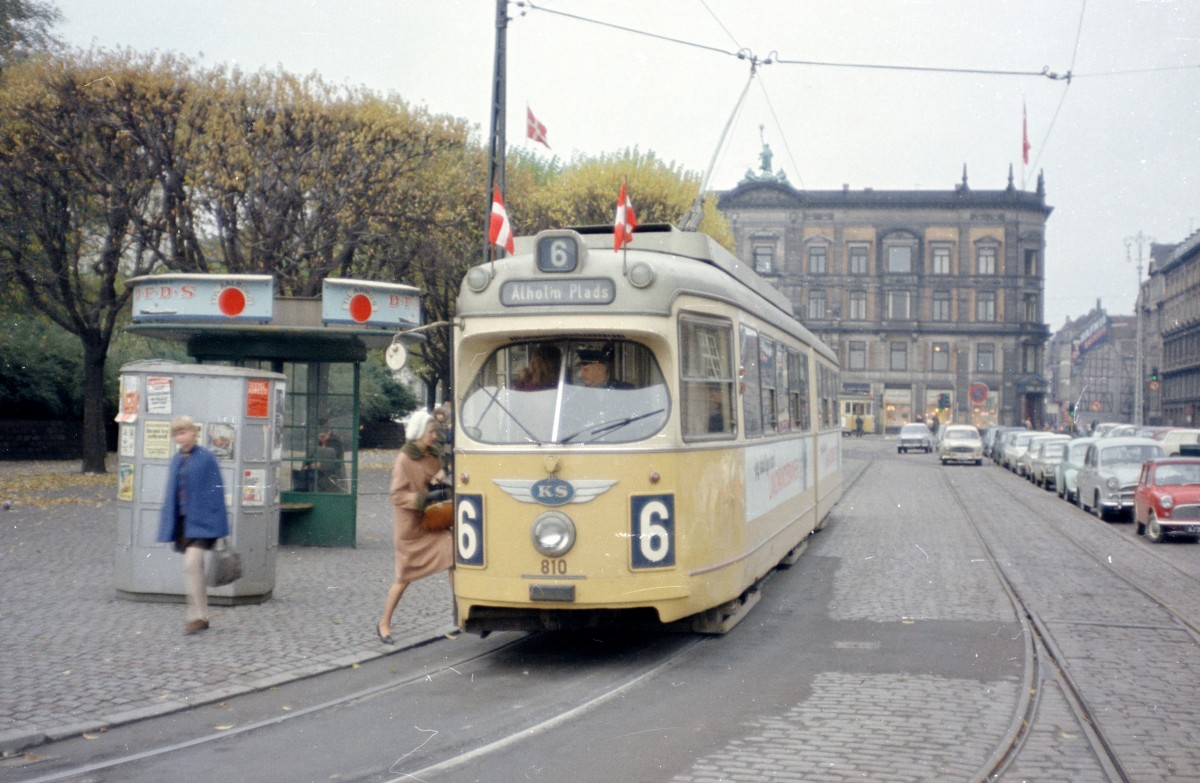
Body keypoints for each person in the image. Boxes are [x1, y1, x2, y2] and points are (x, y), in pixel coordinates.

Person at [376, 409, 453, 645]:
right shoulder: (404, 459)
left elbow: (434, 482)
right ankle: (384, 623)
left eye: (435, 431)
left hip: (430, 522)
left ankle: (459, 608)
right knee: (403, 578)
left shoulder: (433, 455)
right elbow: (396, 495)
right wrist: (424, 498)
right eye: (431, 432)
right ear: (419, 433)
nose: (434, 436)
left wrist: (440, 487)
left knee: (452, 551)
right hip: (410, 528)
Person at [156, 415, 230, 635]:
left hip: (204, 522)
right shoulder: (176, 459)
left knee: (191, 563)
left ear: (193, 432)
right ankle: (200, 614)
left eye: (184, 432)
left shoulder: (206, 458)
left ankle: (198, 615)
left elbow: (216, 492)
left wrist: (218, 524)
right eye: (177, 434)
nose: (180, 437)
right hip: (184, 522)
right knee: (194, 567)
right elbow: (172, 494)